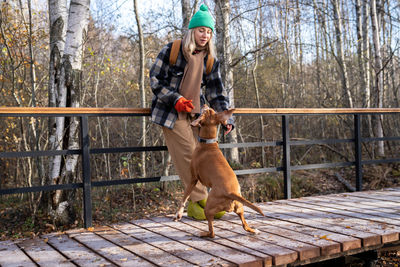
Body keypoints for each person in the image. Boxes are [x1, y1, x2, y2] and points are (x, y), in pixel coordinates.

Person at [149, 4, 234, 220]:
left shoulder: (211, 60)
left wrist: (227, 119)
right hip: (171, 114)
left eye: (208, 31)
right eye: (201, 30)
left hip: (198, 116)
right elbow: (155, 79)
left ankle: (202, 202)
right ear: (192, 31)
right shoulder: (173, 50)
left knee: (204, 157)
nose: (205, 35)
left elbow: (216, 92)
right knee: (188, 154)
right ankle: (200, 202)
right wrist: (176, 99)